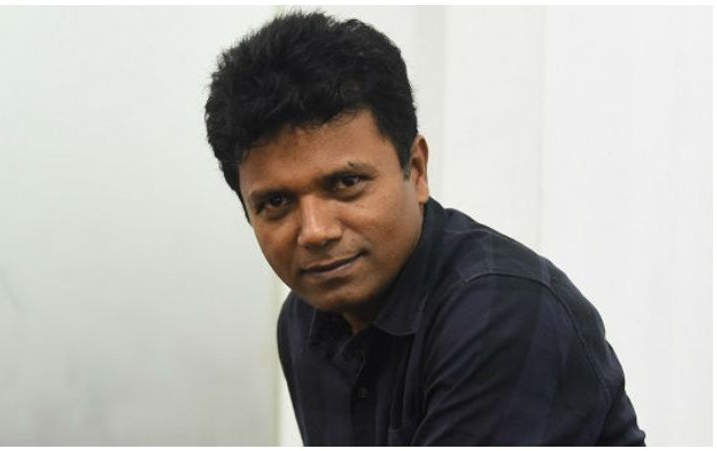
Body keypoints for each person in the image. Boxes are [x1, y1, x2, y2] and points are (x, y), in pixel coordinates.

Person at [204, 11, 645, 446]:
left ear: (415, 170)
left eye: (346, 183)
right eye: (276, 203)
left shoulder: (504, 310)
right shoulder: (304, 321)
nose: (315, 232)